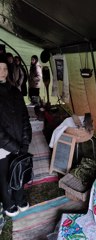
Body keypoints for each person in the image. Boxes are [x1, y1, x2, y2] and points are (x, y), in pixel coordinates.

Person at [0, 54, 32, 217]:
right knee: (4, 176)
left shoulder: (15, 92)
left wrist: (25, 142)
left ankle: (19, 198)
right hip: (2, 147)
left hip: (19, 142)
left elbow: (25, 118)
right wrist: (13, 147)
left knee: (18, 171)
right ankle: (8, 203)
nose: (2, 72)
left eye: (5, 68)